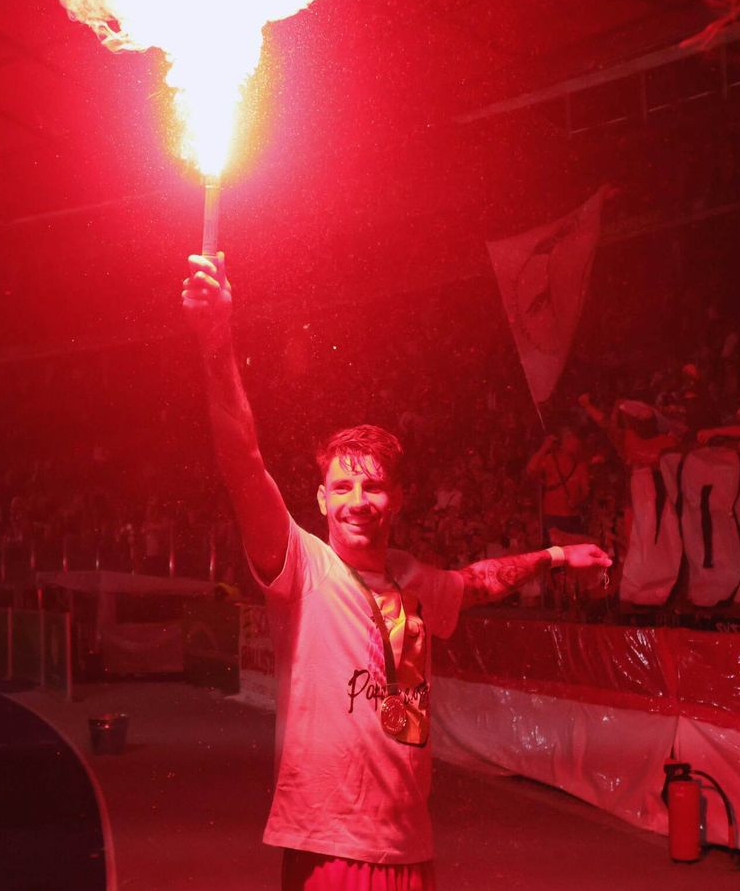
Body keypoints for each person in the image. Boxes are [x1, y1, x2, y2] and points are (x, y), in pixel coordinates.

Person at [181, 252, 612, 890]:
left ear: (398, 499)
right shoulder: (303, 568)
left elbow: (477, 581)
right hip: (329, 848)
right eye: (343, 486)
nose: (359, 500)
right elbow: (242, 460)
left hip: (410, 851)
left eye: (374, 486)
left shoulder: (414, 580)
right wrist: (216, 341)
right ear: (323, 500)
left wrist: (551, 556)